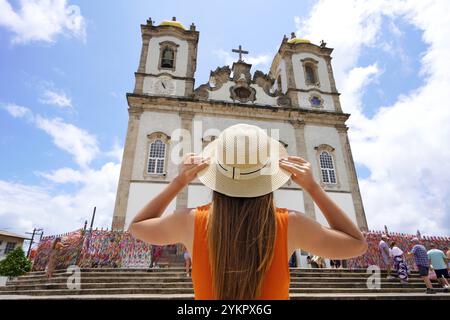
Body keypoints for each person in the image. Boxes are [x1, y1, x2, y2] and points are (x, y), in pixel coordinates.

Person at [128, 123, 367, 300]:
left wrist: (178, 182)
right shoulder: (290, 224)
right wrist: (313, 187)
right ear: (270, 175)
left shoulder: (191, 221)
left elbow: (138, 226)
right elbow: (357, 244)